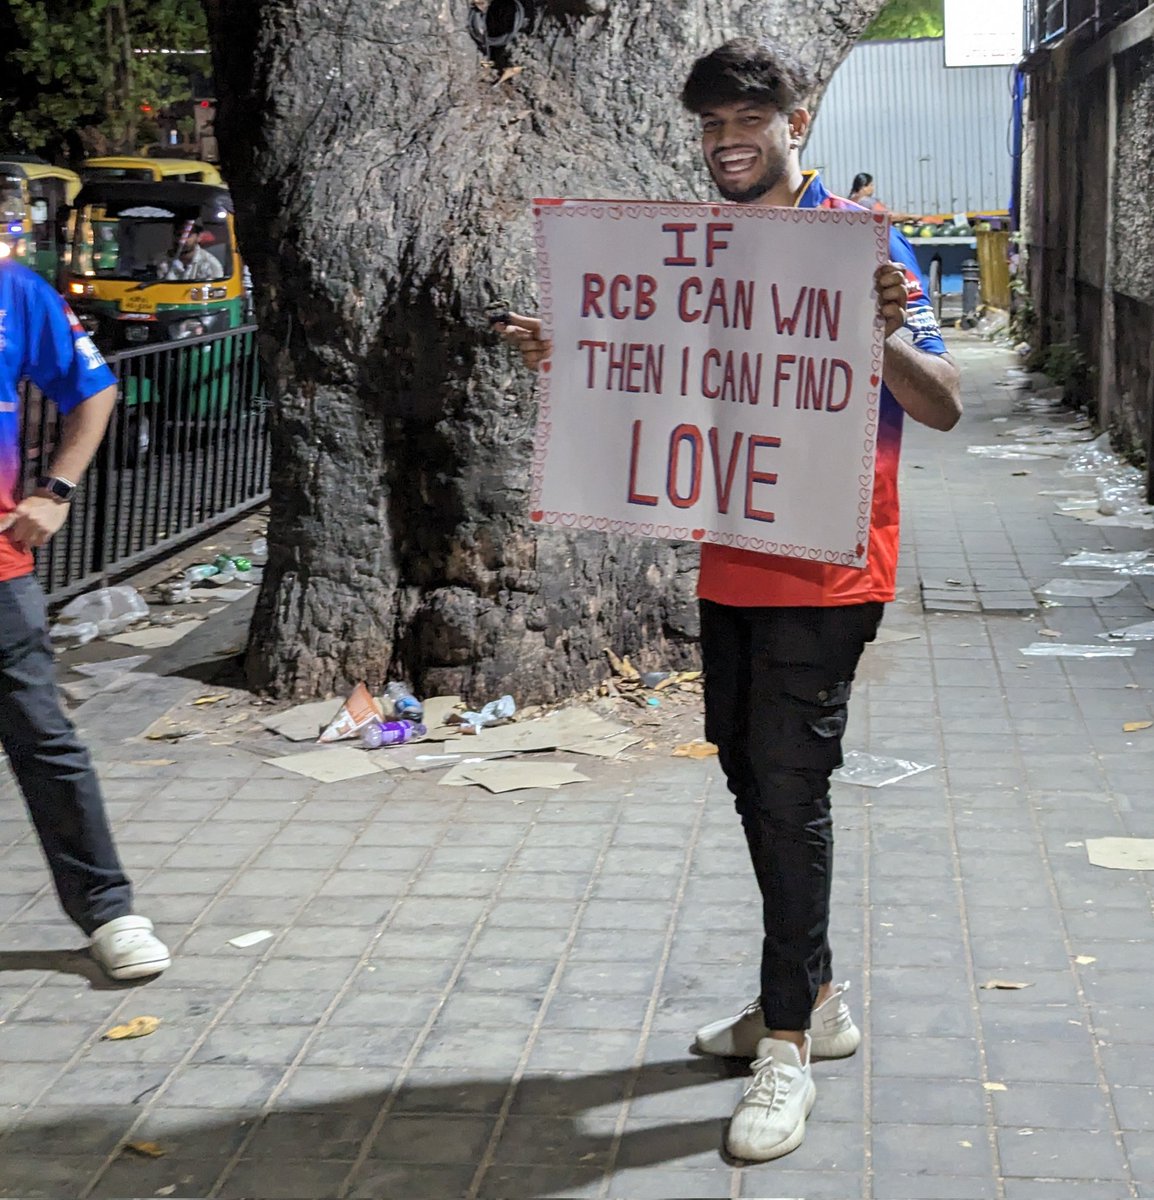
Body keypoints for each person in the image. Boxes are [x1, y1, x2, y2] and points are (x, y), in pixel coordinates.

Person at [499, 38, 961, 1163]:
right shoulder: (701, 251)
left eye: (744, 121)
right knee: (752, 779)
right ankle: (808, 992)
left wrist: (884, 327)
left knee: (792, 792)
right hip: (730, 563)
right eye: (708, 127)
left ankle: (787, 1049)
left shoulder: (861, 248)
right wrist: (580, 354)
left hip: (828, 571)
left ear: (794, 121)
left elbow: (941, 405)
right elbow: (672, 370)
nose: (725, 143)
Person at [0, 258, 171, 981]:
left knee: (43, 738)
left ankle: (108, 911)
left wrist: (58, 489)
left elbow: (93, 388)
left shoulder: (11, 289)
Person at [158, 219, 223, 282]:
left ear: (199, 237)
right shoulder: (159, 261)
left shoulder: (210, 264)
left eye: (187, 235)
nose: (181, 240)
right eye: (178, 234)